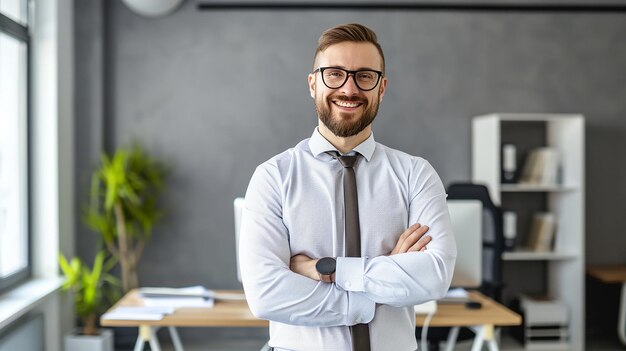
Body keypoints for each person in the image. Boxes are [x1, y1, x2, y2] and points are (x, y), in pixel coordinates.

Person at [239, 23, 457, 351]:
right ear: (313, 84)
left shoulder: (416, 174)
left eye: (364, 76)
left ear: (381, 88)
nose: (349, 88)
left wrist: (327, 270)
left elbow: (435, 275)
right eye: (334, 74)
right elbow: (266, 295)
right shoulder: (273, 177)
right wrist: (380, 287)